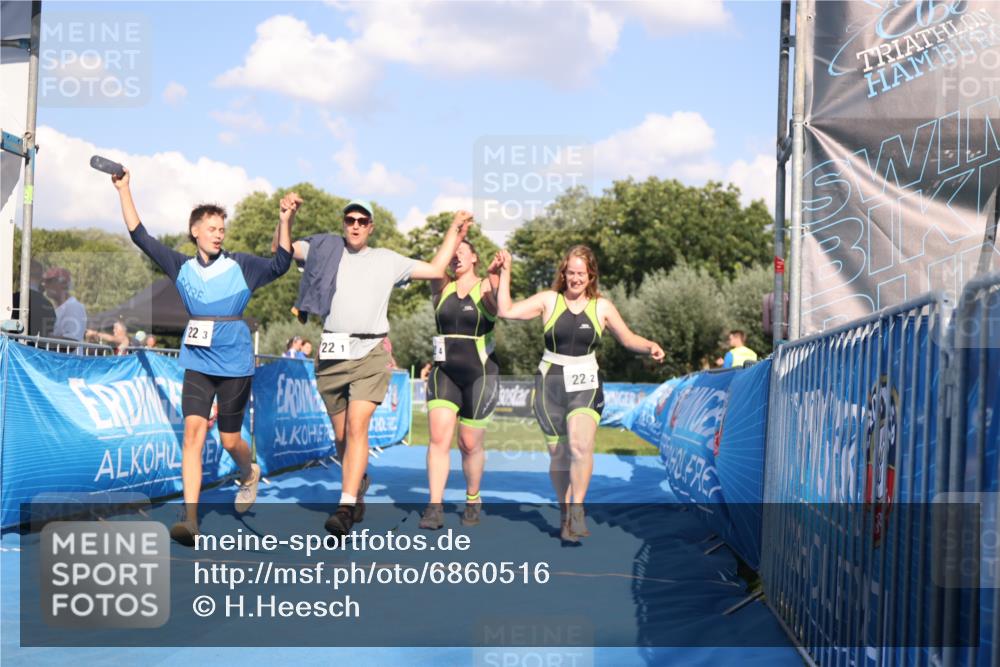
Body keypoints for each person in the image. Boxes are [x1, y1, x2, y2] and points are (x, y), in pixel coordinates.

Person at [112, 168, 298, 546]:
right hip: (197, 363)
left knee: (230, 441)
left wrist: (284, 220)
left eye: (221, 229)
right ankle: (190, 517)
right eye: (212, 227)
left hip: (234, 365)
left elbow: (281, 263)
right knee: (194, 435)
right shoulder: (181, 268)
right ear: (195, 230)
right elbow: (140, 236)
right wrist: (125, 188)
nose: (218, 233)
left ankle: (249, 472)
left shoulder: (242, 266)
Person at [277, 201, 471, 537]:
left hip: (370, 353)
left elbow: (438, 268)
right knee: (341, 438)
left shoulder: (387, 260)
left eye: (361, 221)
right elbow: (284, 251)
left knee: (356, 427)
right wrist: (286, 218)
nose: (354, 225)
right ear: (343, 224)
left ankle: (345, 506)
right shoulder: (325, 249)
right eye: (349, 220)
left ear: (371, 227)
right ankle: (358, 481)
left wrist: (453, 231)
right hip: (333, 352)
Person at [495, 245, 664, 541]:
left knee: (580, 445)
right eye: (570, 272)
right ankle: (565, 514)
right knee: (559, 455)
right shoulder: (549, 300)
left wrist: (649, 345)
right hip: (550, 382)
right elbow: (506, 311)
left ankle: (577, 509)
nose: (575, 279)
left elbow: (628, 338)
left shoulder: (602, 307)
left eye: (581, 274)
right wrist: (505, 271)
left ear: (591, 276)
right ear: (564, 273)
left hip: (585, 381)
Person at [420, 239, 502, 530]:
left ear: (475, 258)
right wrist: (454, 236)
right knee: (439, 439)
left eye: (462, 253)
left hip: (480, 375)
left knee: (469, 443)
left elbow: (500, 308)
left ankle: (472, 498)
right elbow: (435, 267)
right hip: (444, 373)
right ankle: (434, 506)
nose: (456, 258)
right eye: (453, 255)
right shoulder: (441, 288)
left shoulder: (485, 288)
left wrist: (498, 276)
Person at [11, 259, 56, 337]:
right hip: (36, 348)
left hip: (14, 347)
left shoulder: (12, 300)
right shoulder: (47, 304)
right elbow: (49, 331)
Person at [41, 267, 87, 343]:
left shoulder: (73, 307)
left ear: (63, 284)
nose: (45, 285)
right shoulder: (61, 308)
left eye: (49, 281)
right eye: (45, 282)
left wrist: (44, 338)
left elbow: (71, 343)